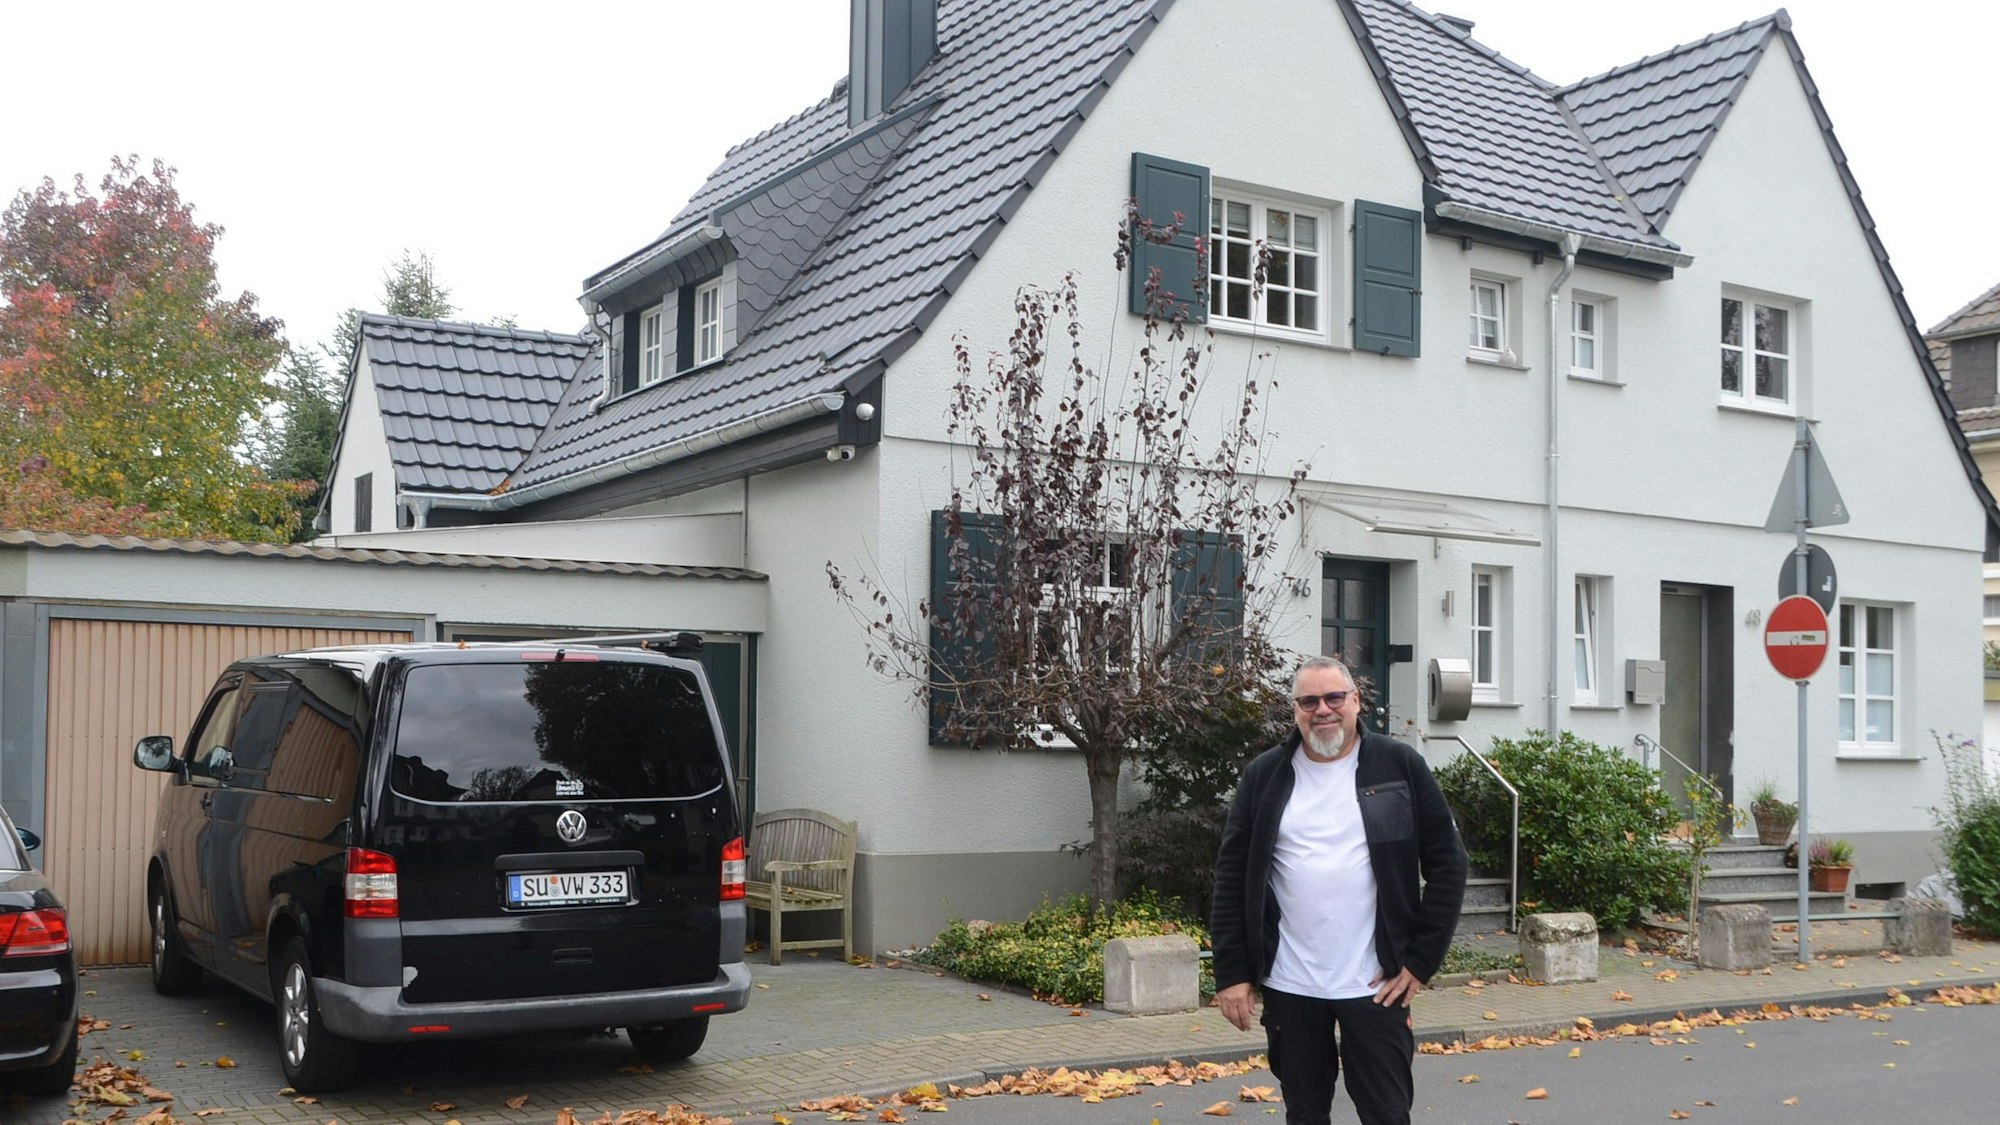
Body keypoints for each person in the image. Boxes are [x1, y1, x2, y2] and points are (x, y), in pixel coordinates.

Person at [1210, 655, 1467, 1125]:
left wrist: (1420, 961)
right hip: (1290, 984)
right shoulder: (1264, 777)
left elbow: (1449, 864)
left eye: (1333, 697)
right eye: (1309, 701)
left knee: (1386, 1113)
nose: (1322, 710)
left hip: (1377, 984)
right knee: (1305, 1112)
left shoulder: (1398, 766)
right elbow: (1232, 878)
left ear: (1356, 701)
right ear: (1295, 709)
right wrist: (1232, 973)